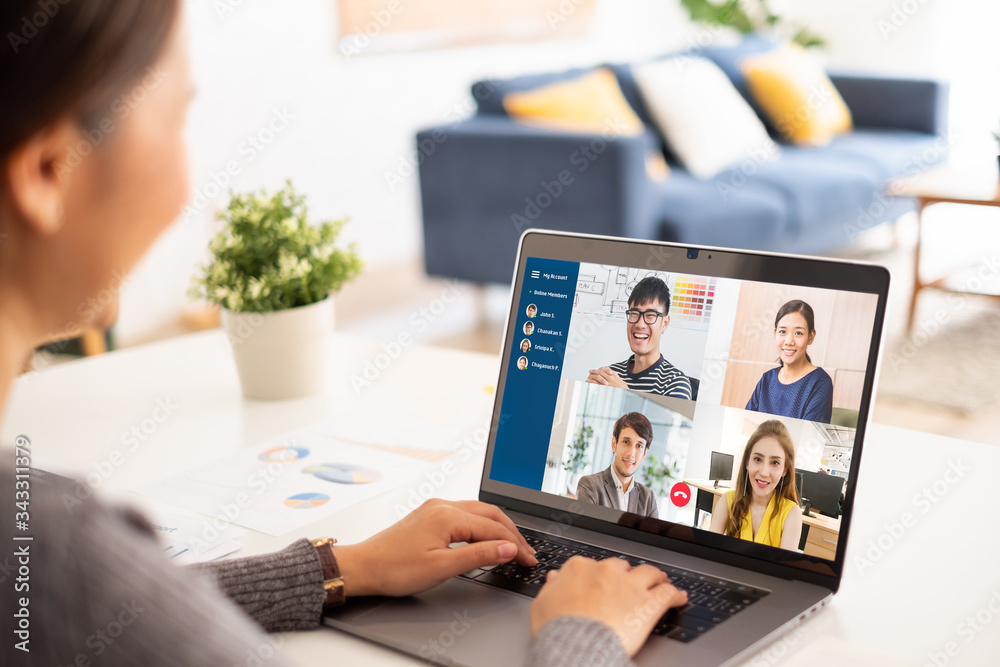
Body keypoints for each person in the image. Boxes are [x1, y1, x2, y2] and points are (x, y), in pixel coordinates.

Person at [0, 2, 687, 665]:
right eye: (179, 114)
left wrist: (343, 567)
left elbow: (119, 610)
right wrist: (582, 638)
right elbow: (86, 595)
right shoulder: (54, 550)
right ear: (48, 170)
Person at [587, 276, 692, 399]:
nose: (640, 324)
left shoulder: (675, 383)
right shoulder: (610, 374)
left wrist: (624, 390)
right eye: (634, 313)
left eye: (650, 315)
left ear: (665, 323)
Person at [708, 420, 803, 550]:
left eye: (775, 462)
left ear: (785, 470)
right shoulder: (727, 501)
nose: (764, 472)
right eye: (758, 459)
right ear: (747, 462)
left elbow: (783, 569)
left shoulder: (792, 513)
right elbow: (708, 551)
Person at [746, 300, 833, 423]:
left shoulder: (819, 382)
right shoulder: (767, 379)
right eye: (782, 332)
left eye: (798, 333)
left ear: (810, 337)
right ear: (775, 334)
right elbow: (746, 425)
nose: (789, 341)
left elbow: (808, 438)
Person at [576, 413, 659, 518]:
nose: (631, 453)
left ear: (644, 454)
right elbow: (585, 532)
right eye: (626, 442)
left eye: (639, 446)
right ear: (614, 444)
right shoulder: (590, 486)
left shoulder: (648, 499)